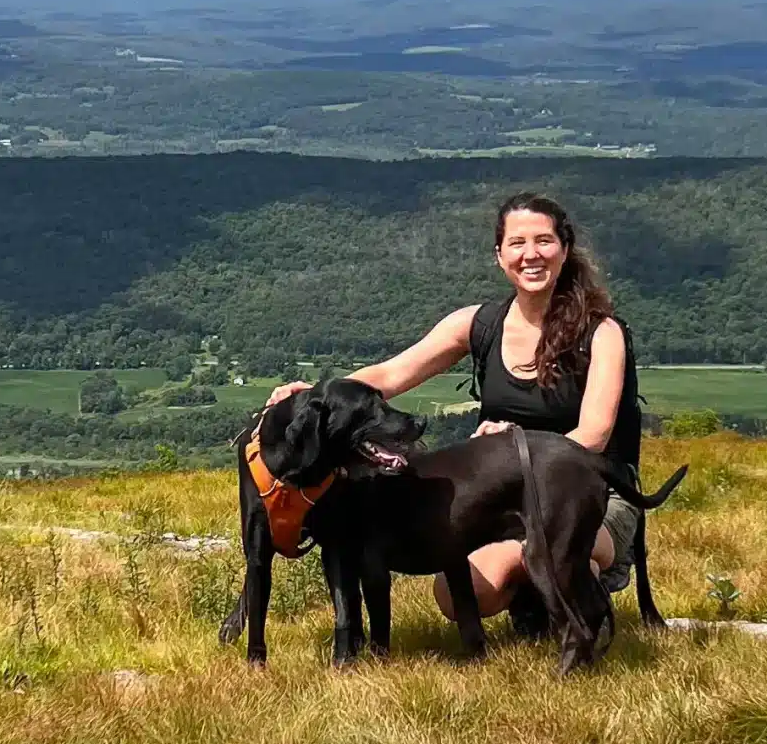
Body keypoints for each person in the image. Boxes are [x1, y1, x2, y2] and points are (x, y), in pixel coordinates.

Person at [270, 189, 643, 628]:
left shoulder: (602, 333)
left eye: (544, 241)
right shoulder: (479, 324)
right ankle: (542, 590)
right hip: (506, 494)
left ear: (565, 248)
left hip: (593, 494)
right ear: (499, 255)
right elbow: (391, 376)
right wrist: (313, 395)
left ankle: (581, 583)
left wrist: (512, 448)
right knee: (456, 594)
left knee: (541, 551)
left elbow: (594, 437)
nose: (531, 255)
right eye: (517, 244)